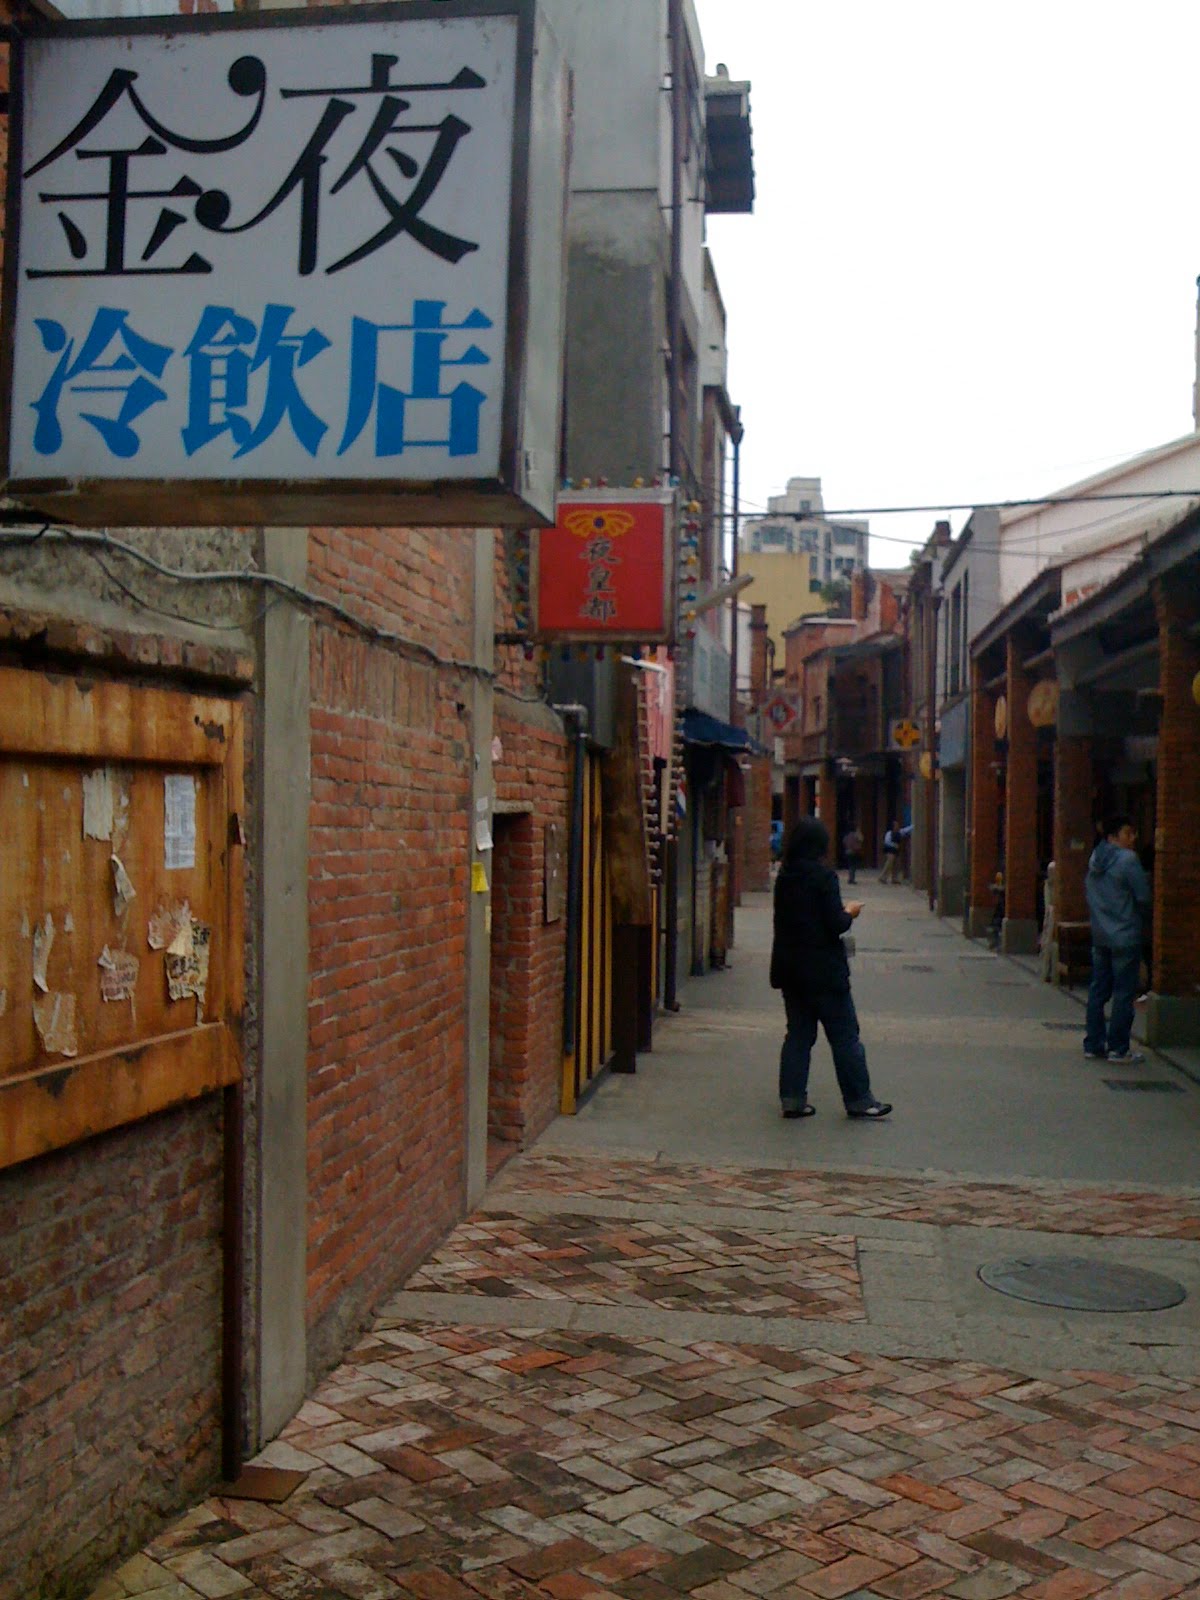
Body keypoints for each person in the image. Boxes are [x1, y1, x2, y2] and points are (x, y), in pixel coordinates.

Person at [770, 816, 892, 1120]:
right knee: (845, 1036)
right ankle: (859, 1100)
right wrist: (850, 912)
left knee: (798, 1036)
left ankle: (792, 1100)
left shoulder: (785, 877)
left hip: (791, 972)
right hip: (825, 972)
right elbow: (835, 923)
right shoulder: (824, 878)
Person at [1084, 813, 1151, 1065]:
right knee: (1123, 993)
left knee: (1098, 990)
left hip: (1100, 934)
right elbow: (1143, 897)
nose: (1133, 838)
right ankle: (1118, 1048)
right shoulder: (1128, 860)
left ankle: (1093, 1044)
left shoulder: (1095, 859)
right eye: (1128, 833)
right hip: (1125, 934)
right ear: (1114, 836)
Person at [878, 819, 910, 884]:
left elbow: (906, 829)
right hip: (890, 850)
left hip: (896, 851)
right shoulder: (889, 833)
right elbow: (887, 841)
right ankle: (883, 877)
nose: (897, 826)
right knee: (889, 863)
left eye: (897, 825)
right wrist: (894, 845)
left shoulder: (900, 832)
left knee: (896, 864)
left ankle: (894, 878)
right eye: (895, 825)